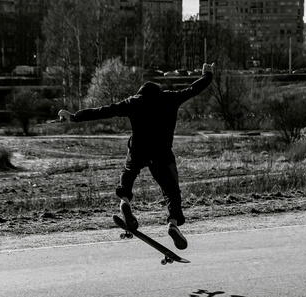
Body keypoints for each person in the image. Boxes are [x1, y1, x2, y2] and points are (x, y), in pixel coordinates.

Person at [58, 63, 213, 250]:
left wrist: (75, 117)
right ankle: (172, 224)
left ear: (141, 92)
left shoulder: (134, 102)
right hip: (162, 154)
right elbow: (192, 89)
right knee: (172, 191)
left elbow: (106, 110)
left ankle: (125, 202)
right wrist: (207, 75)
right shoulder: (169, 99)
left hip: (138, 150)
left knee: (128, 174)